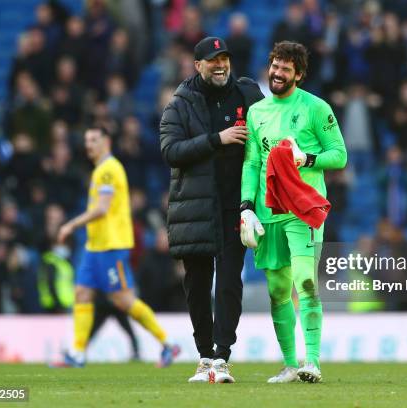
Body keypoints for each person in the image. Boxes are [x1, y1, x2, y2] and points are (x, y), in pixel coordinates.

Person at [240, 41, 347, 383]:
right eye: (274, 66)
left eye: (286, 68)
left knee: (305, 282)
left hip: (303, 209)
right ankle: (290, 364)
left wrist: (307, 159)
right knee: (277, 290)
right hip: (268, 212)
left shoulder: (316, 108)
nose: (278, 73)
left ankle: (312, 361)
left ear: (298, 75)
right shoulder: (257, 112)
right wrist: (246, 207)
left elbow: (340, 155)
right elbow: (252, 162)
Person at [159, 36, 263, 383]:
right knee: (198, 285)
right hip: (196, 208)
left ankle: (221, 357)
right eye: (213, 60)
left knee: (230, 280)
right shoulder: (180, 103)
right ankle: (204, 355)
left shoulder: (247, 94)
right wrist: (218, 139)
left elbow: (270, 130)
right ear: (198, 65)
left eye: (225, 59)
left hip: (237, 206)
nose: (221, 65)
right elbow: (171, 150)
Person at [54, 127, 179, 367]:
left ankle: (168, 344)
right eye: (87, 140)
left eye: (94, 139)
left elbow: (101, 208)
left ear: (107, 141)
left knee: (123, 300)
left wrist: (70, 225)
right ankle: (78, 353)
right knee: (82, 293)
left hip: (111, 246)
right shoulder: (100, 170)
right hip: (95, 247)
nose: (89, 144)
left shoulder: (109, 169)